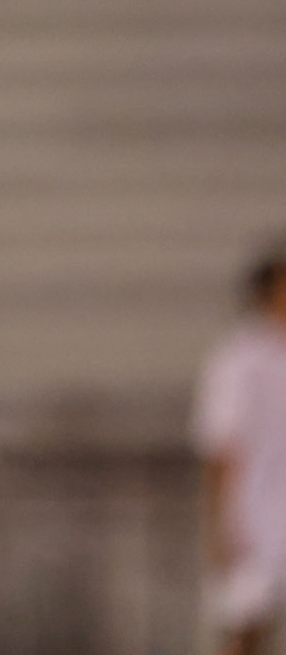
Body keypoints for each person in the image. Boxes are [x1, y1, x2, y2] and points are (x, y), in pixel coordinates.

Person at [195, 247, 286, 655]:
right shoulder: (238, 359)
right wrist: (218, 522)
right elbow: (221, 442)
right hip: (255, 508)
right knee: (247, 621)